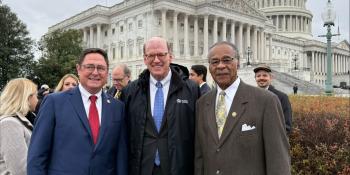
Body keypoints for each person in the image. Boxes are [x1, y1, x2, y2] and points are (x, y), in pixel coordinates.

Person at [195, 41, 290, 175]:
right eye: (214, 62)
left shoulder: (266, 101)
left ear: (238, 63)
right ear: (209, 67)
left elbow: (278, 158)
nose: (221, 66)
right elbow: (200, 156)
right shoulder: (202, 103)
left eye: (227, 60)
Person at [27, 48, 127, 175]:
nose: (95, 72)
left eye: (101, 68)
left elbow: (121, 157)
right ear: (79, 69)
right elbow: (37, 155)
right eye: (90, 67)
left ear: (107, 72)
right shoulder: (54, 102)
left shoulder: (117, 108)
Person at [121, 36, 200, 175]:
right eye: (151, 55)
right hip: (142, 168)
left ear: (170, 56)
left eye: (161, 54)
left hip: (178, 167)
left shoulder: (191, 89)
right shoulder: (130, 91)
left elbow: (198, 134)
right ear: (145, 59)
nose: (156, 60)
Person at [0, 78, 38, 175]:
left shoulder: (22, 120)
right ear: (28, 97)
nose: (37, 100)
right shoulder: (9, 124)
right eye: (36, 96)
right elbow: (20, 170)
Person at [254, 64, 292, 134]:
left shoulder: (282, 97)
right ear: (255, 78)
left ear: (271, 78)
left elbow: (287, 126)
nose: (261, 78)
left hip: (273, 142)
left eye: (265, 75)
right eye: (258, 76)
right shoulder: (250, 96)